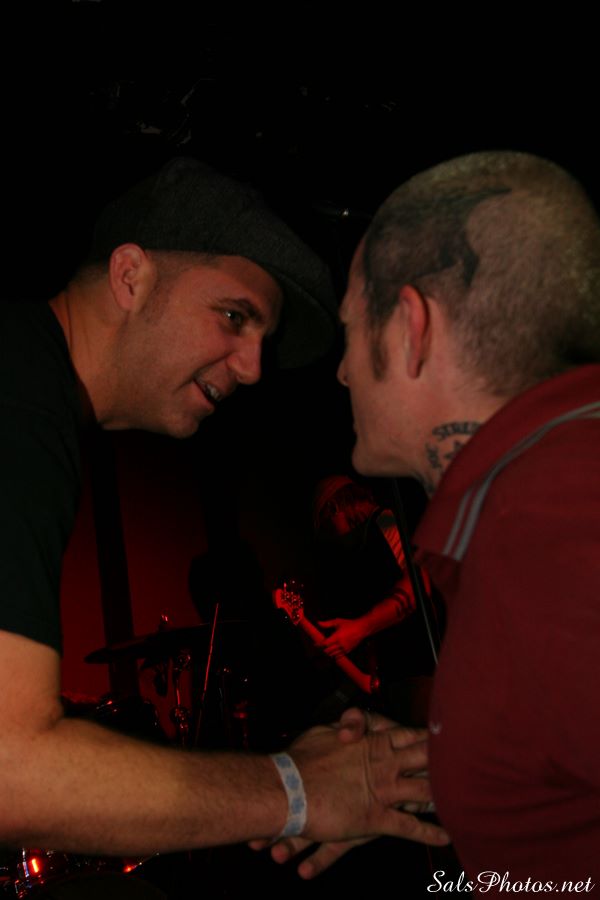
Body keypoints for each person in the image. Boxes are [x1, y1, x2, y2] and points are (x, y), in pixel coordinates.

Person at [0, 158, 450, 865]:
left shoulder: (29, 382)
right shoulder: (19, 397)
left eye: (261, 340)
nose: (252, 368)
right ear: (130, 277)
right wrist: (297, 790)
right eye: (234, 317)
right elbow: (11, 772)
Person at [328, 151, 600, 886]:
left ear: (410, 328)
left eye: (349, 329)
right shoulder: (539, 501)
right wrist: (460, 756)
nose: (342, 371)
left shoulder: (553, 521)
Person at [311, 475, 436, 723]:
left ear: (334, 508)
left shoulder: (385, 520)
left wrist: (360, 628)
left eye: (327, 526)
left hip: (420, 674)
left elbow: (419, 585)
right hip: (396, 680)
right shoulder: (362, 547)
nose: (332, 538)